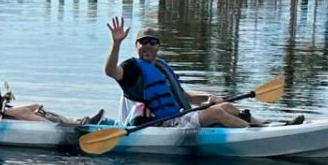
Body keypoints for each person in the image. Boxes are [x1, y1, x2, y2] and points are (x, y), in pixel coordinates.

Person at [102, 17, 261, 130]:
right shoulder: (132, 68)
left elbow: (184, 96)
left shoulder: (161, 67)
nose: (148, 46)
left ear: (158, 46)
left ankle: (263, 125)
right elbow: (110, 71)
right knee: (217, 113)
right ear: (136, 45)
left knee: (225, 106)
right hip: (157, 124)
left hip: (176, 119)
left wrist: (208, 97)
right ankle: (254, 133)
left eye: (152, 42)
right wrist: (116, 43)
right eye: (143, 42)